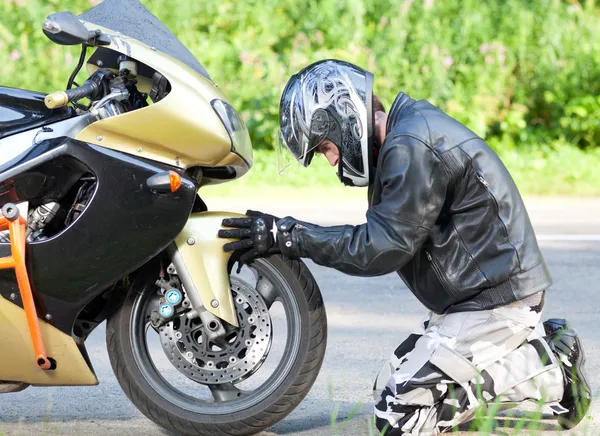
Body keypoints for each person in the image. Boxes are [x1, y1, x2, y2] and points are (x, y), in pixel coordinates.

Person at [218, 59, 592, 434]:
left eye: (326, 146)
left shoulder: (412, 144)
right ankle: (531, 374)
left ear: (345, 115)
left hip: (495, 304)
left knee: (400, 415)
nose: (331, 160)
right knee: (390, 386)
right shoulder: (403, 136)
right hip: (471, 302)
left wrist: (288, 235)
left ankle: (547, 368)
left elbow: (382, 246)